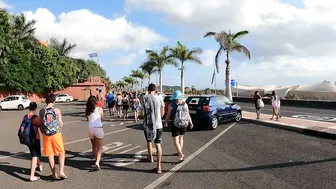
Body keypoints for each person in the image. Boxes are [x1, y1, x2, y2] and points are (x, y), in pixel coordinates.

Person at [39, 94, 67, 180]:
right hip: (56, 134)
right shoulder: (57, 110)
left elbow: (40, 124)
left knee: (50, 154)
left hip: (46, 135)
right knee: (61, 152)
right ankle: (61, 172)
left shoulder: (41, 111)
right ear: (54, 101)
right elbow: (60, 123)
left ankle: (54, 173)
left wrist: (43, 132)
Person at [141, 84, 165, 174]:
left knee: (149, 141)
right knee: (158, 145)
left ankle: (151, 157)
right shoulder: (160, 98)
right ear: (155, 90)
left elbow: (142, 113)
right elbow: (163, 112)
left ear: (148, 90)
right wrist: (158, 118)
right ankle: (159, 166)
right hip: (158, 125)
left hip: (148, 125)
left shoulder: (144, 98)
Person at [164, 90, 193, 162]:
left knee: (175, 140)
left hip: (175, 124)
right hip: (184, 124)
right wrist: (191, 122)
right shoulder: (185, 104)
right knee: (181, 138)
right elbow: (188, 114)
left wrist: (166, 122)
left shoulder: (172, 104)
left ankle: (180, 154)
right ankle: (179, 151)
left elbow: (168, 115)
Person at [20, 102, 43, 182]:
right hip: (35, 139)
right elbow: (41, 128)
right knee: (34, 156)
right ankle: (32, 176)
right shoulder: (36, 118)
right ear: (35, 108)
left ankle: (39, 165)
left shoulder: (25, 117)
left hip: (27, 139)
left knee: (34, 153)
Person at [85, 96, 104, 170]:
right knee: (99, 147)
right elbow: (102, 119)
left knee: (94, 146)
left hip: (90, 129)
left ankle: (96, 159)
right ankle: (97, 162)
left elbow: (87, 119)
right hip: (98, 128)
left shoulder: (87, 110)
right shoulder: (99, 109)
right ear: (95, 102)